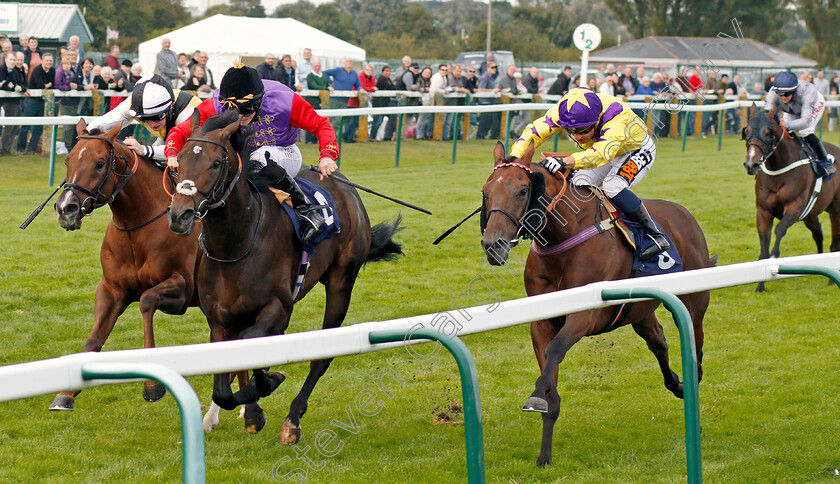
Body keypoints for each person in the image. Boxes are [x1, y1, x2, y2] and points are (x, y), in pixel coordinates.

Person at [164, 62, 340, 242]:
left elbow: (321, 125)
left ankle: (305, 209)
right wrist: (172, 152)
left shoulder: (285, 101)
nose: (239, 117)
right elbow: (180, 132)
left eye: (246, 111)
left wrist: (327, 155)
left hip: (284, 151)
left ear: (259, 101)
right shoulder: (215, 105)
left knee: (258, 158)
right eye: (233, 111)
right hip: (243, 157)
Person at [510, 87, 670, 260]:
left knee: (613, 186)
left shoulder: (616, 116)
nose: (578, 137)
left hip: (636, 150)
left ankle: (654, 235)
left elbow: (601, 154)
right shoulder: (564, 111)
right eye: (571, 131)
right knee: (577, 182)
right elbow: (533, 133)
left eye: (584, 130)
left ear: (598, 119)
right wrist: (514, 159)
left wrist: (565, 161)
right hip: (603, 148)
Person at [87, 74, 202, 168]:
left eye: (157, 117)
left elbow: (185, 150)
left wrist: (143, 149)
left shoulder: (190, 111)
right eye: (144, 119)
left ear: (171, 106)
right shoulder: (134, 104)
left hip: (199, 146)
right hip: (168, 137)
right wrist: (84, 137)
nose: (151, 124)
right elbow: (103, 124)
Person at [765, 70, 835, 178]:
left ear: (794, 90)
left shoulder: (808, 92)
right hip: (792, 107)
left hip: (813, 104)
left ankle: (825, 160)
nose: (783, 97)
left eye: (787, 94)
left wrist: (787, 125)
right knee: (787, 131)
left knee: (805, 131)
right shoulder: (772, 93)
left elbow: (805, 121)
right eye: (780, 94)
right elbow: (767, 114)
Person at [17, 53, 54, 154]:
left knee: (39, 127)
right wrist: (48, 85)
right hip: (32, 101)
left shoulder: (52, 70)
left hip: (43, 101)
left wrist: (48, 85)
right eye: (47, 60)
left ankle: (32, 149)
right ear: (42, 61)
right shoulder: (37, 70)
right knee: (26, 126)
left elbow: (53, 84)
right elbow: (40, 85)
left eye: (50, 61)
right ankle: (20, 148)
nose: (49, 62)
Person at [324, 57, 362, 143]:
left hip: (345, 100)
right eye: (348, 61)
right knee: (335, 119)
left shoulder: (354, 74)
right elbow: (324, 73)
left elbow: (358, 85)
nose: (349, 63)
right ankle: (329, 138)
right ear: (344, 63)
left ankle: (330, 137)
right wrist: (330, 82)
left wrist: (360, 89)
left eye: (351, 61)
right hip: (335, 98)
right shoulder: (338, 70)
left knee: (339, 119)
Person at [0, 52, 26, 155]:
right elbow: (5, 85)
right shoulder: (2, 69)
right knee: (9, 126)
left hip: (15, 100)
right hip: (6, 102)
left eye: (14, 60)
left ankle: (8, 149)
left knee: (15, 126)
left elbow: (14, 84)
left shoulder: (13, 70)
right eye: (11, 60)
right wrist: (10, 85)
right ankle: (3, 149)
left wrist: (11, 85)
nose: (13, 62)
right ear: (6, 59)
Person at [304, 59, 329, 144]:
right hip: (312, 101)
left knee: (320, 121)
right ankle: (309, 139)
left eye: (319, 66)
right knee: (311, 120)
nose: (317, 68)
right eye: (316, 66)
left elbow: (327, 84)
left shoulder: (323, 76)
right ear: (312, 67)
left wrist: (326, 88)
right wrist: (326, 89)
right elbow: (314, 86)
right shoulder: (310, 76)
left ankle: (317, 139)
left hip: (322, 101)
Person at [476, 62, 501, 139]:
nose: (494, 69)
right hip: (484, 101)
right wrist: (492, 90)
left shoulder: (491, 77)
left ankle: (483, 135)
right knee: (485, 120)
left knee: (489, 120)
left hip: (490, 101)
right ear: (487, 68)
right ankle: (480, 136)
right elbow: (480, 89)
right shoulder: (485, 77)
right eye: (492, 67)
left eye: (495, 67)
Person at [371, 65, 393, 141]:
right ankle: (373, 136)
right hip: (379, 103)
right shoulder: (381, 79)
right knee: (377, 121)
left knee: (381, 121)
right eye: (386, 71)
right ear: (382, 72)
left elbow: (393, 88)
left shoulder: (389, 80)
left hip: (385, 103)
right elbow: (389, 88)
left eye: (389, 71)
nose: (388, 72)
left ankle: (377, 136)